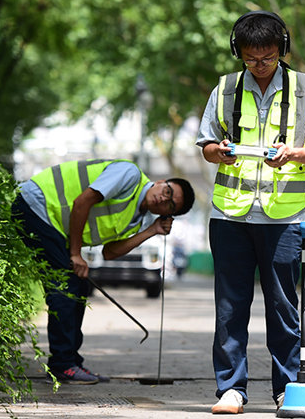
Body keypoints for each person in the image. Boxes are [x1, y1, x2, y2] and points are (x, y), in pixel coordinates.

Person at [196, 10, 305, 415]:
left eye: (268, 57)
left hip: (283, 216)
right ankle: (231, 389)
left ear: (282, 49)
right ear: (237, 53)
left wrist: (294, 152)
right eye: (250, 58)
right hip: (230, 216)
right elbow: (207, 145)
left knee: (282, 306)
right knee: (229, 306)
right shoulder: (224, 89)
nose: (259, 66)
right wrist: (218, 152)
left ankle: (287, 388)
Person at [12, 159, 194, 384]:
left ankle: (70, 362)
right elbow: (82, 202)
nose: (163, 199)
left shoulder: (137, 219)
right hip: (37, 205)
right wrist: (76, 254)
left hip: (52, 221)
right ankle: (62, 365)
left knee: (78, 286)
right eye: (167, 191)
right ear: (160, 182)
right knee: (65, 288)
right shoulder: (129, 175)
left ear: (169, 214)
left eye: (170, 205)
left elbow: (110, 252)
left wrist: (152, 230)